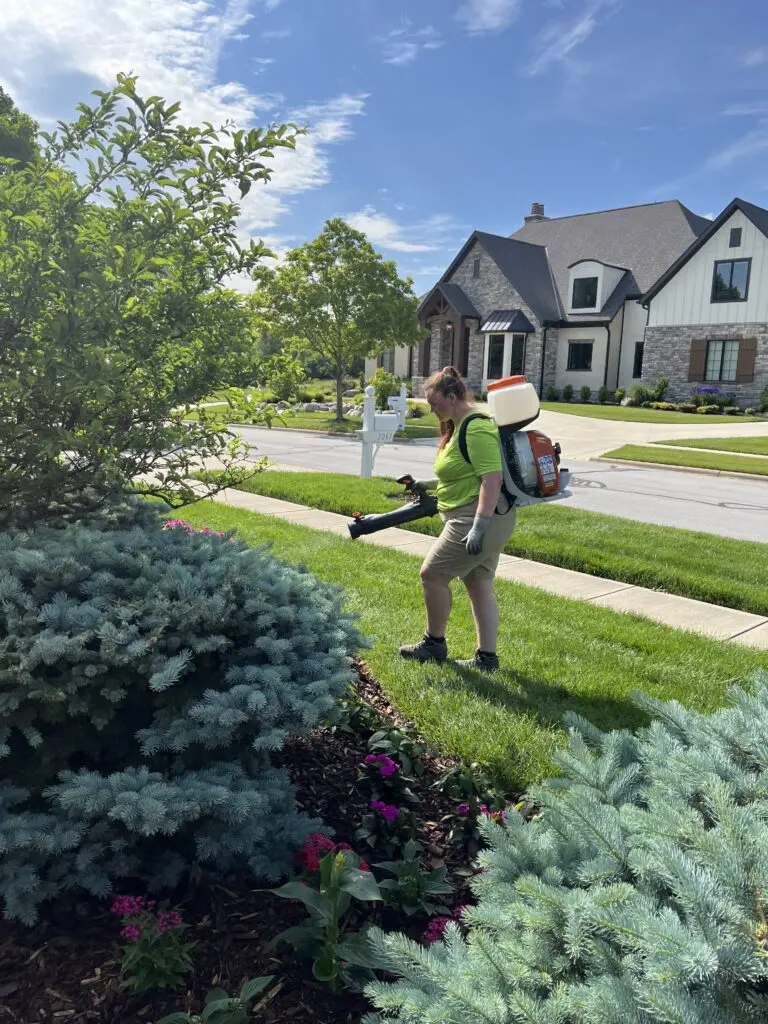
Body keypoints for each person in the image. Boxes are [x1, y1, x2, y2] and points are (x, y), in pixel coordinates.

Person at [399, 365, 516, 672]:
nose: (433, 410)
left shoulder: (476, 428)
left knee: (432, 575)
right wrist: (426, 484)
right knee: (478, 585)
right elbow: (463, 474)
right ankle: (487, 659)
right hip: (484, 517)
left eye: (435, 403)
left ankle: (434, 643)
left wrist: (479, 526)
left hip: (477, 519)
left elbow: (492, 480)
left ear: (452, 397)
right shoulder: (459, 427)